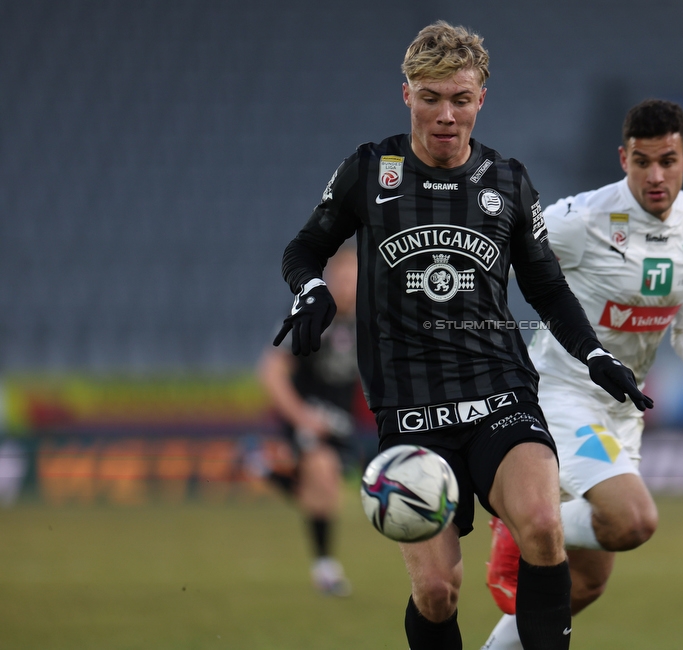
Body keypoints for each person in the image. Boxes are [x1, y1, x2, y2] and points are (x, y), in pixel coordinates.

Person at [273, 21, 653, 650]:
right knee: (437, 592)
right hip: (410, 413)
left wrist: (594, 355)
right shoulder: (371, 171)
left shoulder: (507, 182)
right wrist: (311, 289)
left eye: (460, 98)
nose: (445, 114)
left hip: (500, 393)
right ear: (407, 96)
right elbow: (305, 247)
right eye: (431, 97)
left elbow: (547, 287)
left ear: (481, 98)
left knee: (540, 526)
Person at [482, 99, 683, 649]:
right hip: (565, 393)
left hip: (623, 407)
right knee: (633, 521)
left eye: (667, 160)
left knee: (586, 581)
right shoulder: (584, 218)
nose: (655, 175)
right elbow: (512, 247)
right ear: (623, 158)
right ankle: (523, 520)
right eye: (642, 161)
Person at [256, 246, 364, 597]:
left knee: (319, 491)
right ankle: (326, 569)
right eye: (343, 278)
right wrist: (302, 416)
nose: (348, 286)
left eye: (355, 278)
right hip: (307, 417)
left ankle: (270, 471)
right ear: (331, 279)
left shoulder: (369, 319)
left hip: (341, 422)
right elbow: (271, 372)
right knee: (325, 475)